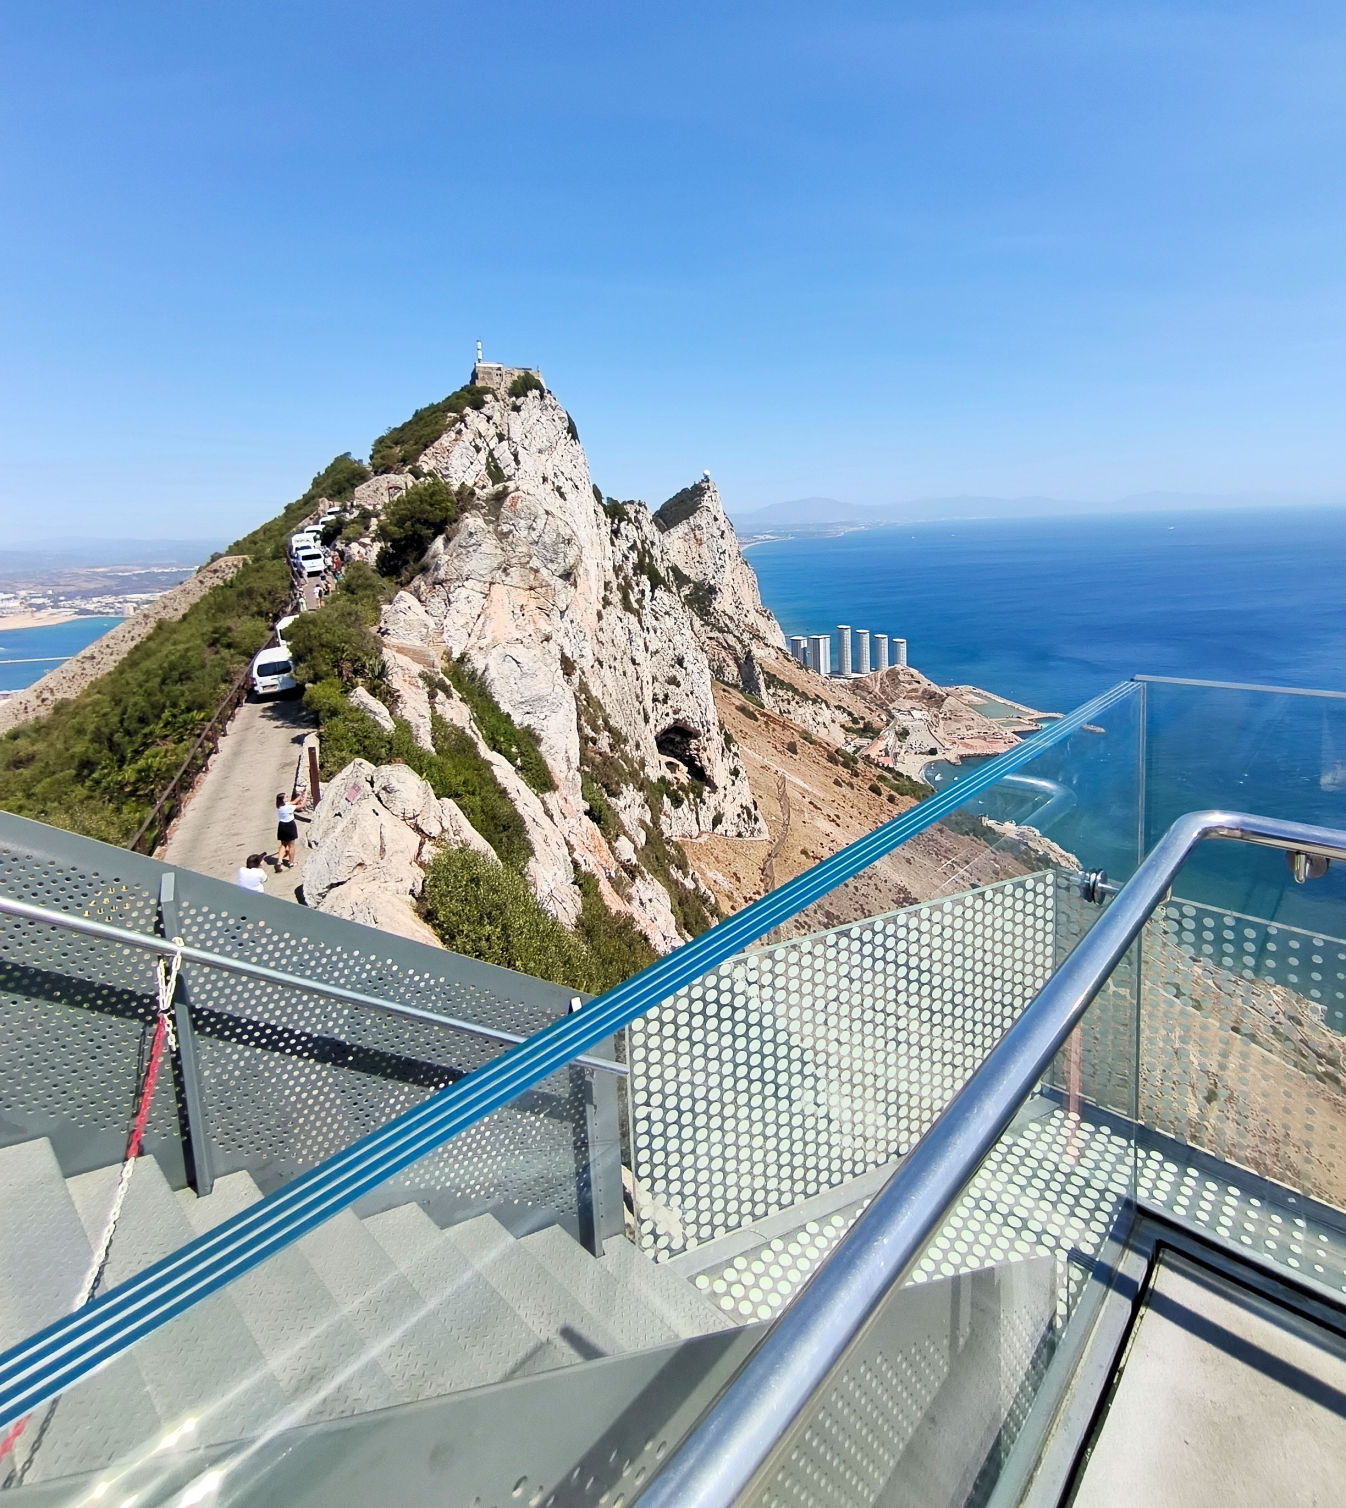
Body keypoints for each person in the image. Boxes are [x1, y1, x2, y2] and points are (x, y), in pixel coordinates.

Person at [275, 791, 302, 868]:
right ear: (283, 800)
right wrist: (305, 797)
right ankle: (291, 862)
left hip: (281, 826)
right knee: (291, 846)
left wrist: (300, 795)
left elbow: (294, 802)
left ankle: (279, 861)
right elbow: (301, 806)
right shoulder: (288, 807)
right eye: (286, 797)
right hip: (289, 825)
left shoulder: (279, 806)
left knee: (283, 844)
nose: (287, 798)